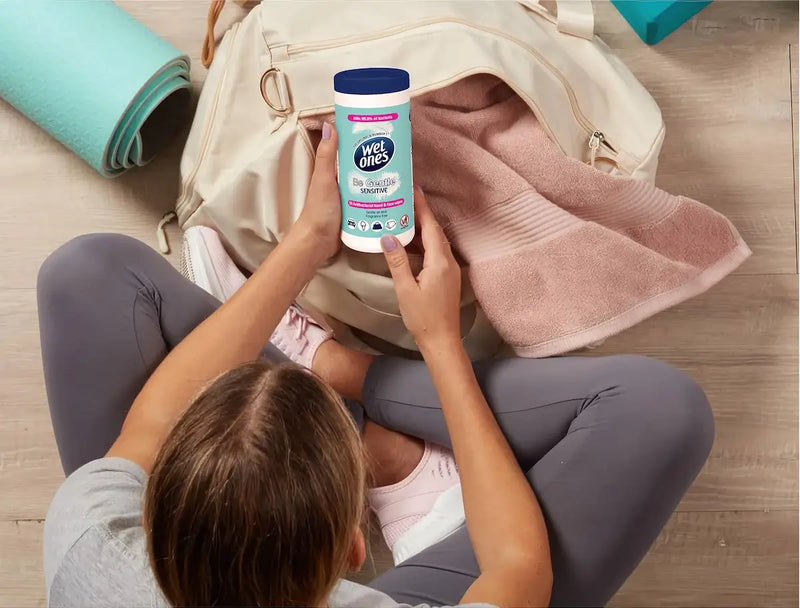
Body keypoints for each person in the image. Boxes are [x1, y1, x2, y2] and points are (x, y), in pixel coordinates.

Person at [40, 123, 714, 608]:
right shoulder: (91, 534)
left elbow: (153, 420)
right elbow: (517, 570)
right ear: (352, 555)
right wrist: (441, 343)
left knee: (85, 272)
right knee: (659, 411)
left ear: (155, 510)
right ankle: (375, 429)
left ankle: (335, 384)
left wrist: (307, 243)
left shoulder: (93, 550)